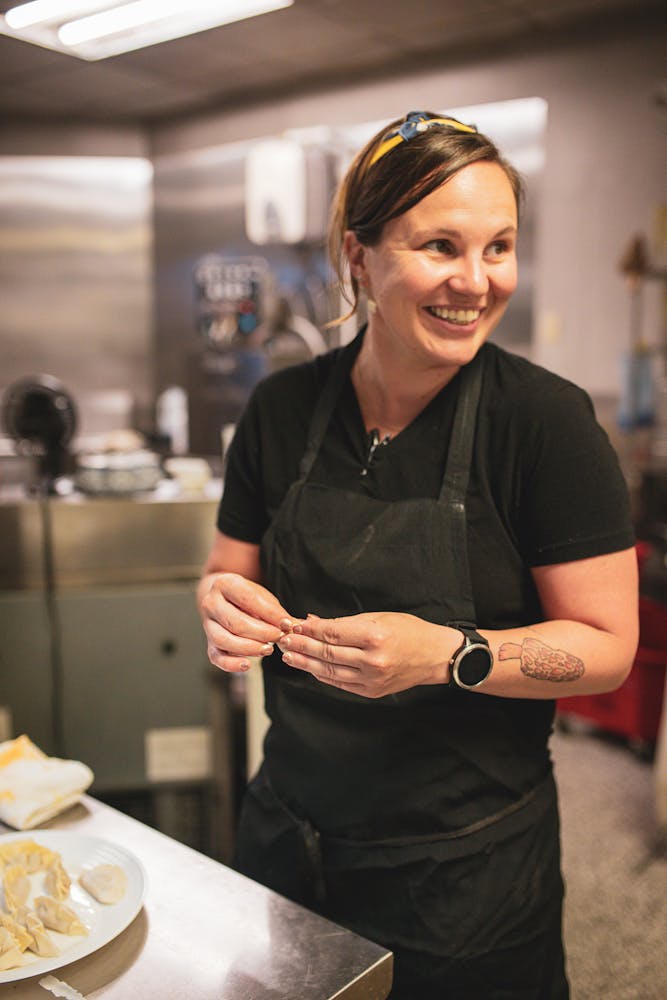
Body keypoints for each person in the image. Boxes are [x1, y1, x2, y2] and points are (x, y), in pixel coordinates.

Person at [198, 110, 638, 999]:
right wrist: (221, 608)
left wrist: (448, 653)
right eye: (440, 246)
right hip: (286, 836)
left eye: (500, 247)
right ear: (358, 257)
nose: (476, 282)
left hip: (462, 874)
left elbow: (606, 647)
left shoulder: (543, 424)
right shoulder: (282, 408)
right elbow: (226, 573)